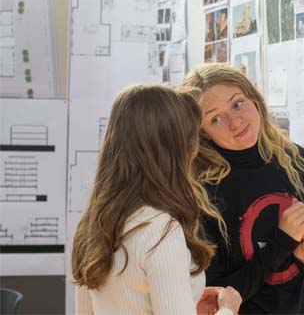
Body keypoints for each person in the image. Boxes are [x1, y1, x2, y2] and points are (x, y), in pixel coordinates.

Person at [71, 84, 242, 314]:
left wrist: (187, 301)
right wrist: (228, 310)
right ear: (172, 153)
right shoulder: (161, 231)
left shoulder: (94, 224)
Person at [180, 64, 304, 314]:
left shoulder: (295, 159)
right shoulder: (199, 189)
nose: (235, 122)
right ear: (202, 133)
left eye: (237, 104)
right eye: (215, 119)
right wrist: (282, 243)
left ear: (254, 98)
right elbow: (212, 297)